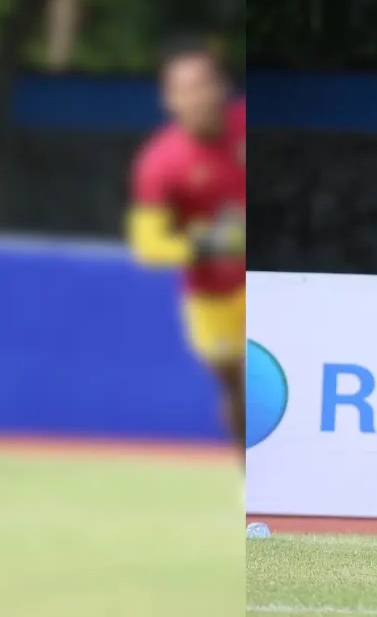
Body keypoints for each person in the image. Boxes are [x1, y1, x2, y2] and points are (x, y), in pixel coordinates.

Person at [127, 42, 248, 469]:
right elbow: (148, 246)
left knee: (266, 377)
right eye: (186, 89)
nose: (199, 97)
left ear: (224, 86)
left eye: (205, 84)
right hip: (210, 297)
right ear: (169, 99)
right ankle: (249, 472)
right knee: (238, 389)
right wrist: (208, 244)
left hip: (264, 285)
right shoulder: (159, 163)